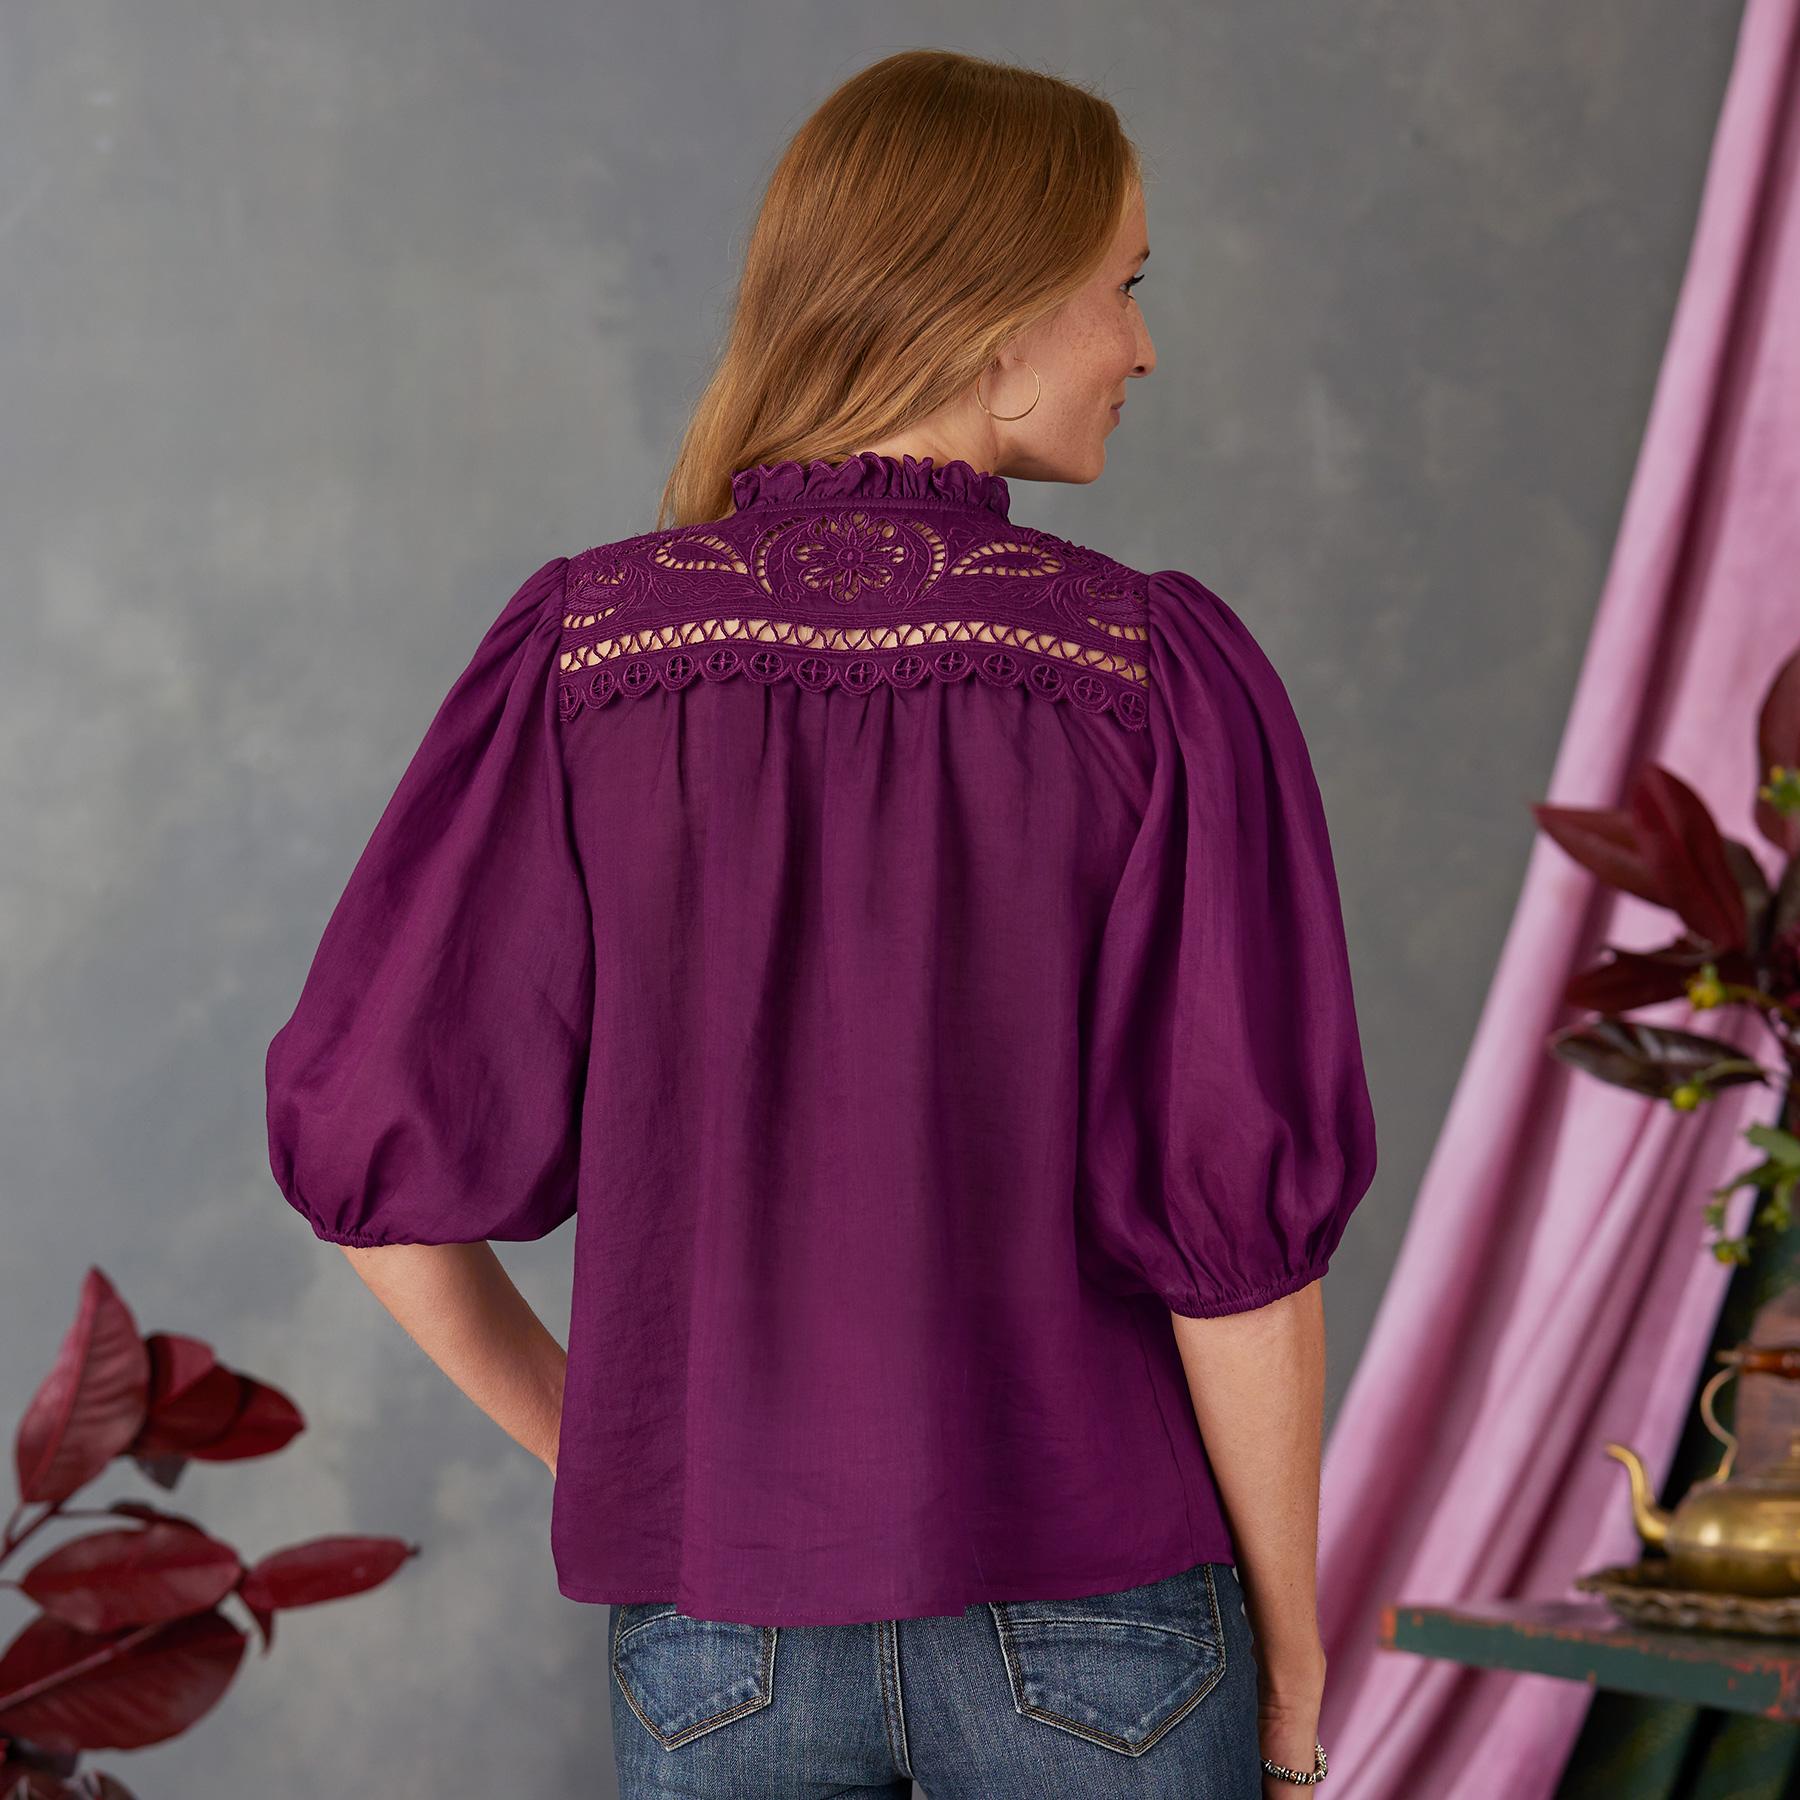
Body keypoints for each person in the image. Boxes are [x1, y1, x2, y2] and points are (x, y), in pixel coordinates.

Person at [263, 46, 1376, 1799]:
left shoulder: (588, 656)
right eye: (1125, 287)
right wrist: (1294, 1653)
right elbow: (1238, 1244)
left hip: (718, 1626)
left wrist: (617, 1459)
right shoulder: (1148, 672)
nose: (1144, 347)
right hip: (1103, 1608)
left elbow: (367, 1151)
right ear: (994, 318)